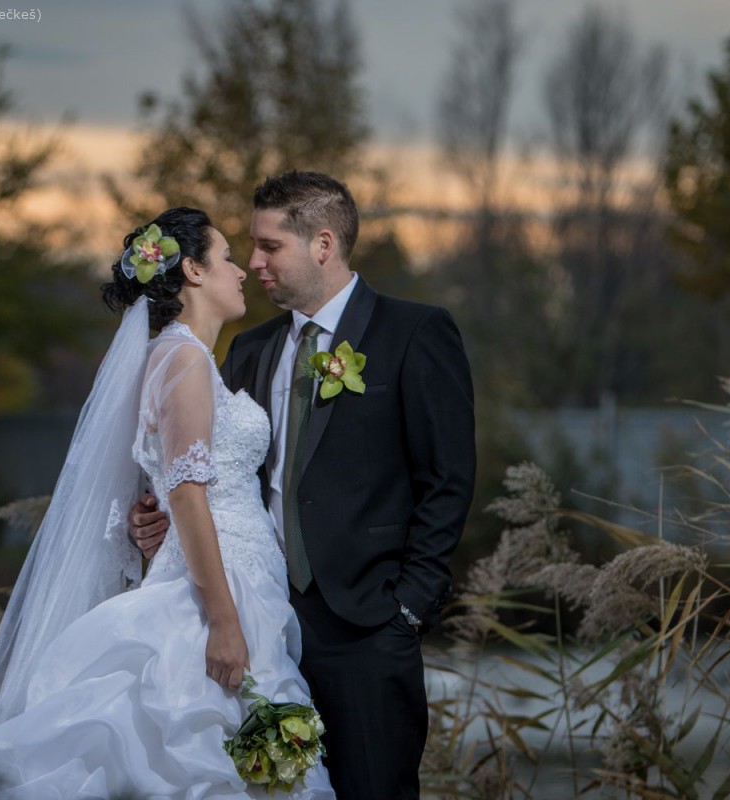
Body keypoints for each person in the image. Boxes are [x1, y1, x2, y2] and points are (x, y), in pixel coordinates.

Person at [0, 207, 335, 799]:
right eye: (227, 257)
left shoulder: (180, 357)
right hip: (221, 590)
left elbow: (168, 485)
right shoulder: (184, 360)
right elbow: (186, 493)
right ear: (193, 271)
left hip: (238, 578)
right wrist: (223, 622)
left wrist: (146, 520)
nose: (242, 271)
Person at [132, 172, 477, 799]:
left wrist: (408, 607)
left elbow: (447, 478)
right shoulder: (249, 349)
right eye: (250, 247)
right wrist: (158, 519)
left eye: (270, 246)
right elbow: (209, 469)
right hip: (264, 624)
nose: (255, 262)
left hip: (370, 626)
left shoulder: (414, 332)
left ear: (323, 244)